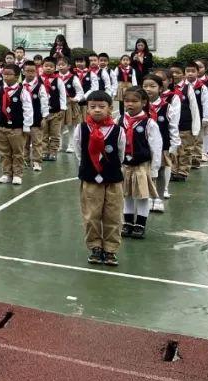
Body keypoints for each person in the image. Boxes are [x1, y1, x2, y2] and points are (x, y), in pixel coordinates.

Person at [70, 91, 122, 266]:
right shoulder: (82, 128)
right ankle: (95, 247)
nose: (97, 110)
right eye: (93, 107)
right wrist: (88, 166)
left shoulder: (117, 130)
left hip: (113, 179)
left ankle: (110, 250)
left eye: (102, 107)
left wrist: (111, 169)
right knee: (91, 215)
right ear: (87, 109)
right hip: (90, 179)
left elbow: (120, 153)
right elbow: (78, 151)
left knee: (113, 215)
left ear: (110, 109)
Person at [120, 87, 161, 241]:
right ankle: (128, 222)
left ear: (144, 102)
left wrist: (155, 168)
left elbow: (156, 146)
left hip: (142, 165)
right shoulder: (120, 121)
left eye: (135, 101)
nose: (130, 104)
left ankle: (140, 224)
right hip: (125, 165)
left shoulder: (149, 123)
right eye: (127, 101)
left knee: (143, 195)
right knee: (127, 194)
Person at [143, 74, 178, 213]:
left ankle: (158, 198)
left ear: (160, 89)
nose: (148, 89)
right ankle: (147, 197)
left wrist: (174, 145)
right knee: (144, 172)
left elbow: (173, 127)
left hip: (162, 146)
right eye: (145, 86)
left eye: (152, 86)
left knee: (162, 170)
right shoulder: (139, 106)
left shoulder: (167, 107)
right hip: (143, 145)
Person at [0, 63, 32, 185]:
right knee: (4, 152)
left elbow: (28, 109)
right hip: (2, 127)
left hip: (17, 128)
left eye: (9, 74)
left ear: (17, 76)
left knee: (17, 152)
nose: (6, 77)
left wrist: (26, 126)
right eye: (4, 74)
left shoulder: (22, 91)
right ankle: (6, 173)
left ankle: (17, 174)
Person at [21, 60, 50, 172]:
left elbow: (44, 102)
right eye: (27, 71)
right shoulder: (20, 86)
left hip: (37, 119)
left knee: (37, 142)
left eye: (33, 71)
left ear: (36, 72)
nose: (30, 73)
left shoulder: (40, 86)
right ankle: (25, 160)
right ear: (23, 72)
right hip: (23, 120)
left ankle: (37, 161)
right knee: (24, 142)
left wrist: (44, 117)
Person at [38, 57, 67, 161]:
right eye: (46, 66)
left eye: (51, 66)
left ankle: (53, 152)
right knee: (43, 134)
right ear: (42, 67)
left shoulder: (58, 80)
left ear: (55, 68)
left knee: (55, 134)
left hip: (56, 112)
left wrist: (63, 109)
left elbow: (63, 95)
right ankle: (44, 152)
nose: (48, 68)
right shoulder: (38, 79)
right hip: (43, 114)